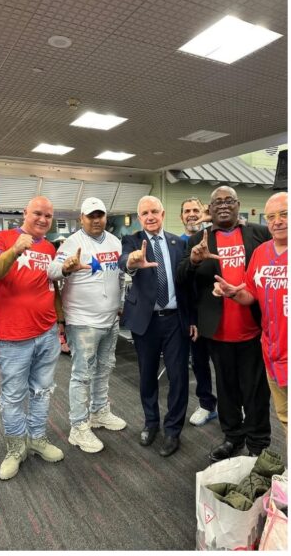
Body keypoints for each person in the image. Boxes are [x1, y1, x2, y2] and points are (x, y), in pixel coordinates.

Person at [179, 186, 271, 461]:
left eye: (228, 200)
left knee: (256, 393)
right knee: (227, 391)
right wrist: (194, 260)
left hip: (254, 329)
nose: (223, 205)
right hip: (218, 332)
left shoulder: (258, 234)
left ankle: (259, 444)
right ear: (210, 208)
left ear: (237, 204)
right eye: (217, 202)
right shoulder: (199, 238)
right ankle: (233, 438)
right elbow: (182, 280)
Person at [0, 196, 65, 480]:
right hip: (15, 336)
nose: (42, 220)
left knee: (42, 391)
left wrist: (60, 323)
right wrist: (15, 250)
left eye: (48, 216)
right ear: (25, 213)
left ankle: (37, 438)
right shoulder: (2, 238)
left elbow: (51, 287)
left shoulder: (50, 247)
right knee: (13, 396)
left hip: (47, 332)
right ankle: (16, 448)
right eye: (37, 214)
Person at [48, 198, 127, 454]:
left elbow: (121, 275)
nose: (96, 220)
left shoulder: (115, 242)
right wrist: (66, 268)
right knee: (82, 374)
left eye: (100, 215)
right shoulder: (72, 242)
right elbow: (52, 270)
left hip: (110, 320)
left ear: (105, 217)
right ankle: (78, 426)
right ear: (81, 218)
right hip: (83, 322)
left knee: (104, 369)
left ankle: (99, 412)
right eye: (90, 216)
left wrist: (121, 303)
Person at [120, 195, 192, 457]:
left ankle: (173, 430)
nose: (150, 217)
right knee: (147, 375)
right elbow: (124, 260)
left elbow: (186, 284)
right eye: (144, 213)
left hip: (175, 320)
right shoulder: (131, 240)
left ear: (162, 214)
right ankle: (151, 423)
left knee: (178, 377)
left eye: (154, 212)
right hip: (146, 322)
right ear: (139, 218)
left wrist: (191, 319)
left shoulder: (177, 243)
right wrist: (132, 261)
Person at [213, 192, 287, 433]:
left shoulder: (253, 235)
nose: (278, 221)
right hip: (271, 349)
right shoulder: (262, 252)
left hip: (274, 344)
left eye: (285, 214)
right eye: (272, 216)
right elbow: (251, 294)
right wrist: (232, 292)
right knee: (284, 415)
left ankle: (260, 445)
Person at [179, 197, 218, 426]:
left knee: (225, 365)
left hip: (217, 311)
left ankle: (235, 404)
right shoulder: (178, 242)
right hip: (193, 315)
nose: (192, 214)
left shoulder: (217, 237)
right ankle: (206, 404)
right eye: (187, 211)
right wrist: (190, 317)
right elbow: (181, 282)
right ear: (181, 216)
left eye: (196, 210)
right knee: (200, 363)